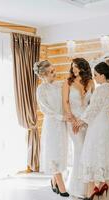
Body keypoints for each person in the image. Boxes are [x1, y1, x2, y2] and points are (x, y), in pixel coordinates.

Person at [75, 62, 109, 200]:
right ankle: (103, 185)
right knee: (102, 154)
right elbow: (108, 110)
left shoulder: (100, 90)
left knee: (91, 154)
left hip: (98, 126)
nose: (94, 77)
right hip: (106, 125)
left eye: (96, 75)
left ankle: (91, 193)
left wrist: (80, 121)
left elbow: (93, 109)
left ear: (103, 76)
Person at [34, 60, 69, 197]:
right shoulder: (41, 89)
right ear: (43, 76)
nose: (55, 73)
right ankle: (62, 187)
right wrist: (61, 117)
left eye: (54, 70)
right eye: (51, 72)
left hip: (62, 124)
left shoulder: (59, 85)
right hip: (52, 124)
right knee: (53, 153)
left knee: (61, 152)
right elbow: (45, 109)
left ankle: (54, 181)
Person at [62, 58, 94, 198]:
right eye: (72, 67)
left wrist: (83, 120)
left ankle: (87, 188)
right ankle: (77, 188)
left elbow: (92, 105)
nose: (74, 69)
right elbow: (66, 102)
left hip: (86, 122)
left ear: (83, 67)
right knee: (79, 150)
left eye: (76, 67)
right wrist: (73, 120)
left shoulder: (91, 83)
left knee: (86, 151)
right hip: (72, 121)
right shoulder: (68, 82)